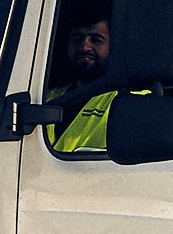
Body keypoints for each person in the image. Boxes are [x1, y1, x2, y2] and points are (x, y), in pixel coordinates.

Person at [43, 17, 128, 153]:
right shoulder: (45, 97)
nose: (85, 47)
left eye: (96, 39)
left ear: (113, 47)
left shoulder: (129, 101)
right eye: (77, 39)